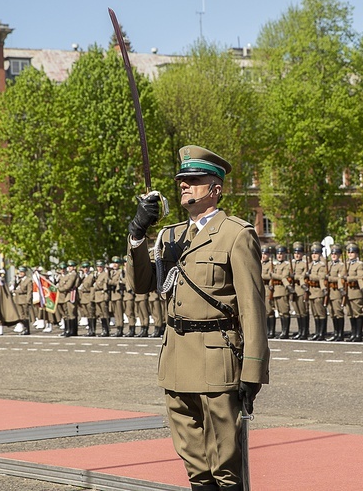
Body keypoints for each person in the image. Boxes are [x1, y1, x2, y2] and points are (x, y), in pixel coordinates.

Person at [126, 145, 270, 491]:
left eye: (194, 180)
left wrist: (252, 370)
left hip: (217, 360)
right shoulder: (170, 235)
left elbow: (252, 306)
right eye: (182, 181)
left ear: (215, 189)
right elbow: (141, 284)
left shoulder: (236, 234)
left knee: (225, 469)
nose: (184, 186)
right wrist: (137, 233)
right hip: (176, 361)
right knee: (195, 467)